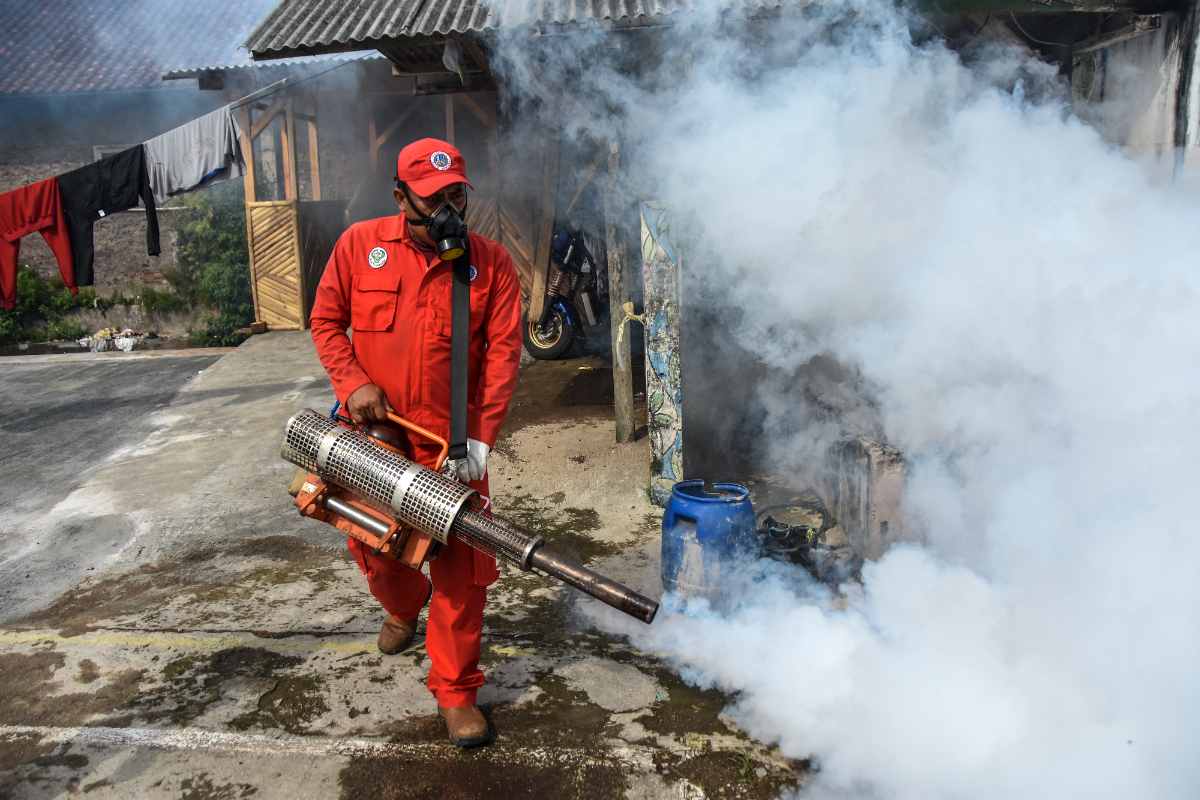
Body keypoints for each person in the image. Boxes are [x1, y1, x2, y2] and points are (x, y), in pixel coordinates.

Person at [309, 138, 522, 747]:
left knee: (462, 570)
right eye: (436, 197)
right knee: (379, 547)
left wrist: (480, 439)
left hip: (452, 445)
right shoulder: (359, 246)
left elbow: (503, 355)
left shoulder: (491, 263)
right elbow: (325, 321)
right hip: (376, 441)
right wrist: (353, 384)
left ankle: (456, 690)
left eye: (458, 192)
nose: (451, 206)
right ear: (402, 198)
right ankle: (402, 605)